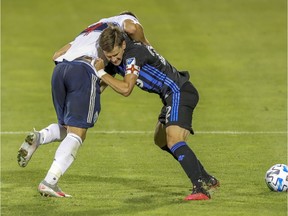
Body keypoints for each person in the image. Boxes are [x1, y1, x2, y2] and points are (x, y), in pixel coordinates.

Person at [17, 12, 150, 198]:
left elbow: (56, 54)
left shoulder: (91, 29)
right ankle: (50, 181)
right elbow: (133, 28)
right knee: (78, 133)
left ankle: (40, 137)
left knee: (68, 127)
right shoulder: (122, 23)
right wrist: (147, 46)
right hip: (82, 71)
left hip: (60, 71)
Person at [93, 26, 219, 201]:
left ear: (123, 44)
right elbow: (103, 86)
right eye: (109, 57)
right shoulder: (119, 59)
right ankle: (206, 178)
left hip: (179, 92)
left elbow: (126, 88)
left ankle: (200, 187)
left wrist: (100, 72)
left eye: (115, 55)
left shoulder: (134, 54)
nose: (114, 60)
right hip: (169, 97)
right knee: (160, 140)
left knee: (174, 139)